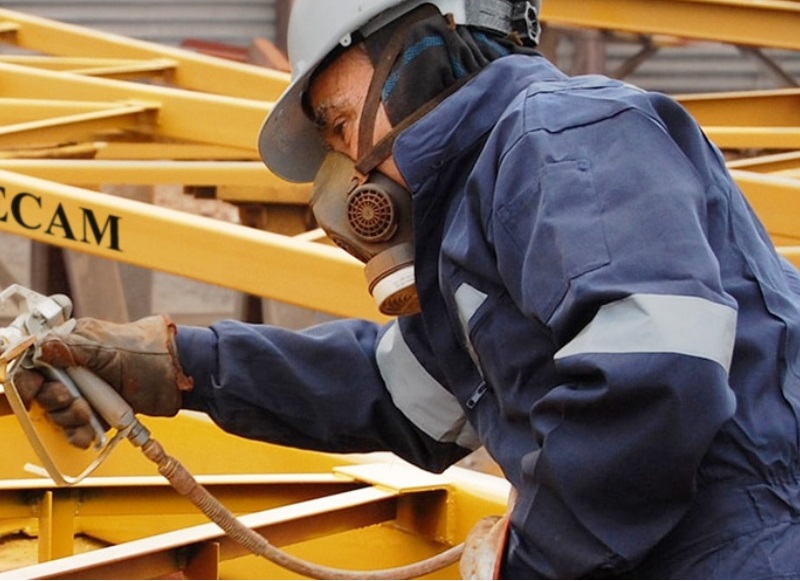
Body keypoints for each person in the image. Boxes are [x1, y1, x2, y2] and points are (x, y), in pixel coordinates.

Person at [14, 0, 800, 578]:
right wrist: (180, 364)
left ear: (423, 46)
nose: (349, 167)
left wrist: (529, 564)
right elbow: (395, 392)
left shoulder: (561, 137)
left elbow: (650, 380)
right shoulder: (476, 218)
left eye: (335, 120)